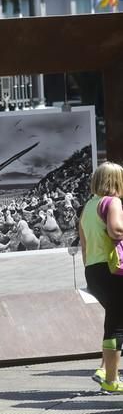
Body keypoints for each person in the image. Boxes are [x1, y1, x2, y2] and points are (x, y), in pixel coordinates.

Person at [79, 161, 123, 393]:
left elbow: (84, 246)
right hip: (113, 269)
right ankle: (111, 379)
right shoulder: (113, 202)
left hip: (94, 271)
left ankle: (105, 370)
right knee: (116, 325)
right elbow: (116, 230)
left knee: (115, 321)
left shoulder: (88, 207)